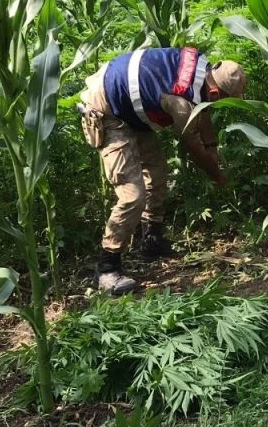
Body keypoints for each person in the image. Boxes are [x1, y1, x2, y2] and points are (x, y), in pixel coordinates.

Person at [78, 47, 247, 294]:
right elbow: (192, 144)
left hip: (132, 110)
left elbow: (203, 110)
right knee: (132, 195)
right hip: (107, 110)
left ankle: (151, 240)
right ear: (215, 91)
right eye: (224, 99)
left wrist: (213, 147)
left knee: (157, 173)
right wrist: (217, 175)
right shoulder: (181, 103)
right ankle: (107, 268)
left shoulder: (203, 68)